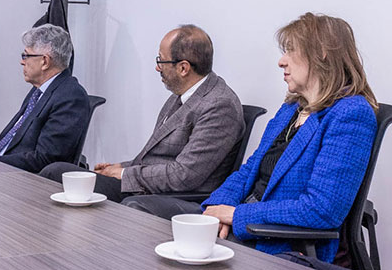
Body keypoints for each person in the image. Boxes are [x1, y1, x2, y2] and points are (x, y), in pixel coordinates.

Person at [200, 13, 377, 262]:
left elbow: (321, 209)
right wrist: (217, 209)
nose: (281, 62)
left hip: (278, 243)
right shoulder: (291, 108)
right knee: (171, 229)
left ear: (321, 53)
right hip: (247, 225)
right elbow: (249, 170)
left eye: (290, 50)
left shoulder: (351, 114)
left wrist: (236, 216)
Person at [40, 25, 244, 203]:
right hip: (146, 186)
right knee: (58, 171)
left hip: (166, 196)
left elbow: (185, 175)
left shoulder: (219, 105)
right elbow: (156, 157)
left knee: (56, 173)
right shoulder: (182, 95)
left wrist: (124, 173)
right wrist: (119, 167)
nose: (157, 67)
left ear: (183, 68)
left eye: (161, 61)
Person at [0, 24, 88, 173]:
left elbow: (46, 158)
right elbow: (15, 140)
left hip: (23, 180)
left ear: (45, 61)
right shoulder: (39, 90)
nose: (22, 61)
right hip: (3, 169)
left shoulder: (70, 97)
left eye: (26, 56)